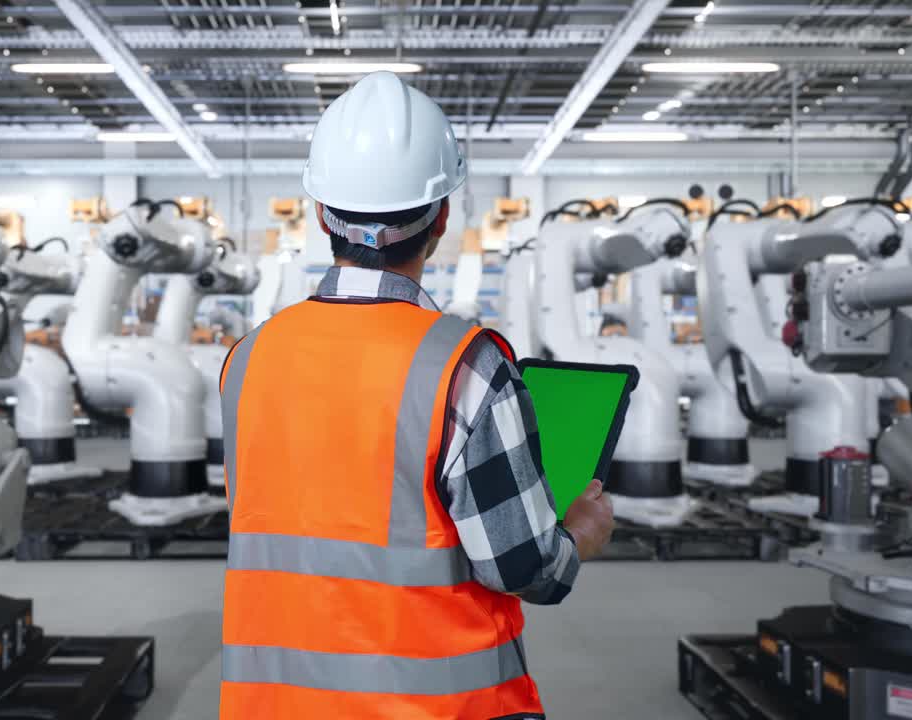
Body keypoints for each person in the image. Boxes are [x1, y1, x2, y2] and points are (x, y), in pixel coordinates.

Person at [218, 71, 616, 719]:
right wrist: (579, 534)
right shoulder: (467, 365)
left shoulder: (247, 358)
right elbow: (525, 568)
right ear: (443, 217)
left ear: (320, 213)